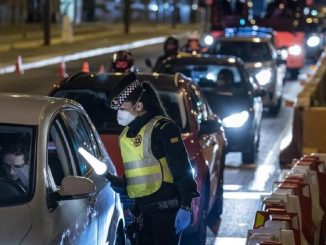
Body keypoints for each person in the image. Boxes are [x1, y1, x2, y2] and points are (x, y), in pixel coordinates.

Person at [106, 72, 199, 245]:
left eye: (123, 108)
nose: (119, 113)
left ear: (139, 106)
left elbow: (182, 169)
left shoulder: (163, 129)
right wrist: (123, 184)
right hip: (142, 214)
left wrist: (186, 206)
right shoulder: (127, 135)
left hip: (165, 214)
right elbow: (141, 172)